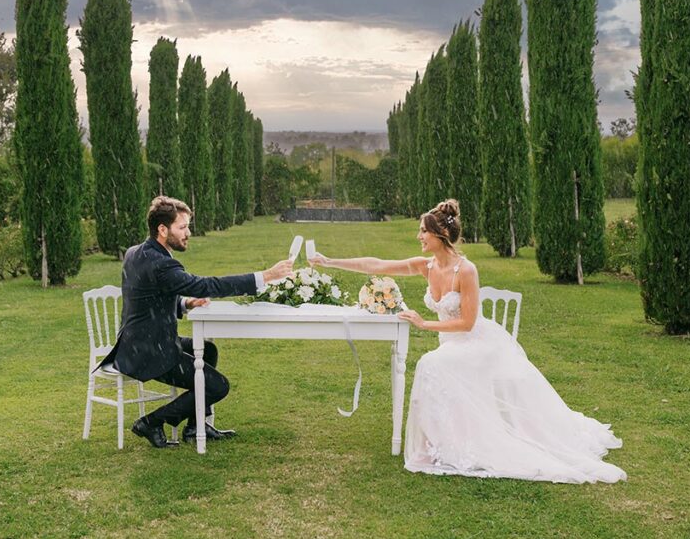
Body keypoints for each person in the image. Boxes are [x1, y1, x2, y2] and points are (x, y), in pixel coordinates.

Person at [310, 199, 626, 483]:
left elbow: (467, 322)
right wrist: (330, 261)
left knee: (430, 363)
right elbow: (377, 264)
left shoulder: (467, 270)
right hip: (452, 346)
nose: (418, 237)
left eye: (423, 231)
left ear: (440, 235)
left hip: (477, 345)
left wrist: (423, 322)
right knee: (435, 362)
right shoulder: (426, 266)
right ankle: (441, 442)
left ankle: (449, 443)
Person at [96, 196, 293, 448]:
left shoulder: (136, 252)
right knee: (218, 386)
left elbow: (148, 295)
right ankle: (152, 421)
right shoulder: (161, 264)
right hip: (150, 353)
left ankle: (195, 426)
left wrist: (184, 303)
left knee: (207, 349)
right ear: (162, 230)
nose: (188, 233)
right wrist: (265, 276)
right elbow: (205, 285)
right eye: (182, 227)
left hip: (137, 343)